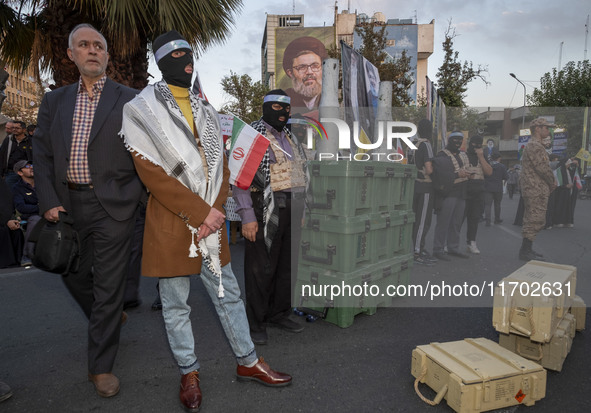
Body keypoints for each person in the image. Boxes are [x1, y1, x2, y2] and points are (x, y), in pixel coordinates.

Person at [120, 30, 292, 412]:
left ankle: (248, 362)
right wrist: (202, 214)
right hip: (172, 223)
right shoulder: (140, 110)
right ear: (161, 62)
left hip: (211, 222)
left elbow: (222, 167)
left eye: (189, 53)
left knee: (228, 295)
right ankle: (188, 371)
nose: (185, 60)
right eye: (176, 54)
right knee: (176, 303)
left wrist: (213, 212)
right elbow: (151, 173)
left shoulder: (206, 110)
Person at [34, 23, 144, 398]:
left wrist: (138, 195)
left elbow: (146, 152)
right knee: (73, 274)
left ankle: (100, 367)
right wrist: (48, 200)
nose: (92, 50)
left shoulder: (131, 98)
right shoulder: (55, 101)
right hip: (67, 203)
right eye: (84, 45)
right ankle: (110, 316)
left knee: (109, 284)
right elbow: (43, 154)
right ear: (71, 55)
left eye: (99, 45)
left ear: (108, 55)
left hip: (115, 204)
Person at [233, 90, 308, 344]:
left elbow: (301, 173)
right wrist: (246, 216)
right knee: (260, 268)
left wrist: (301, 210)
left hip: (291, 207)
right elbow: (239, 177)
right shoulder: (251, 134)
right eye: (277, 107)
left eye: (287, 109)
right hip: (262, 207)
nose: (283, 112)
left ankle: (279, 313)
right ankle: (256, 322)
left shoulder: (290, 136)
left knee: (287, 265)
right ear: (266, 107)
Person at [518, 118, 557, 261]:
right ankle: (525, 251)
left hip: (536, 187)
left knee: (534, 219)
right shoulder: (535, 145)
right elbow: (542, 168)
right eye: (546, 128)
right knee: (534, 219)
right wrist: (552, 181)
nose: (548, 130)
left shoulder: (537, 145)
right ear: (537, 129)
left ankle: (527, 249)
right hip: (535, 188)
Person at [432, 131, 471, 261]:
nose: (458, 143)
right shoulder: (442, 156)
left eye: (460, 140)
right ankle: (438, 248)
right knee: (443, 223)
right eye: (455, 140)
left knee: (456, 223)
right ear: (449, 140)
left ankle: (453, 247)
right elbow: (440, 176)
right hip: (448, 194)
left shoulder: (462, 155)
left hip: (461, 193)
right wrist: (457, 175)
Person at [410, 119, 437, 265]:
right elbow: (429, 168)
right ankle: (417, 252)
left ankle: (417, 247)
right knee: (423, 221)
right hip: (425, 186)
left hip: (414, 184)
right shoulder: (426, 145)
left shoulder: (413, 144)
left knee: (415, 220)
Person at [282, 36, 328, 118]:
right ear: (290, 73)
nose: (309, 72)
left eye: (315, 66)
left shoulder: (332, 99)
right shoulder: (283, 102)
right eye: (302, 67)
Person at [463, 135, 492, 254]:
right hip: (464, 190)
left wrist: (481, 156)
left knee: (474, 219)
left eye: (479, 144)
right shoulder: (464, 156)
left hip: (479, 192)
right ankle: (450, 242)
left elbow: (489, 172)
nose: (476, 146)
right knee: (458, 219)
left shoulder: (483, 156)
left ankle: (472, 242)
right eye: (474, 144)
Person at [11, 160, 41, 266]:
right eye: (27, 166)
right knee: (36, 220)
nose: (31, 167)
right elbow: (22, 207)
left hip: (49, 213)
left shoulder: (42, 183)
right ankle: (27, 255)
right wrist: (40, 208)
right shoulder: (17, 188)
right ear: (20, 173)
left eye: (32, 165)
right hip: (30, 217)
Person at [0, 120, 33, 190]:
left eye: (17, 128)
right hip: (10, 173)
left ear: (24, 130)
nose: (14, 130)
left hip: (26, 173)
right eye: (13, 128)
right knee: (9, 194)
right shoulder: (8, 140)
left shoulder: (30, 141)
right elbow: (2, 156)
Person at [0, 178, 24, 268]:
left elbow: (7, 204)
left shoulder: (2, 185)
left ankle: (19, 260)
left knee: (15, 231)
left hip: (4, 218)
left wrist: (10, 219)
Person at [483, 152, 508, 226]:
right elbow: (505, 177)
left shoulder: (487, 165)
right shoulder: (502, 166)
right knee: (497, 204)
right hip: (498, 188)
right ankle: (497, 219)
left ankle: (488, 221)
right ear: (499, 158)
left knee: (487, 205)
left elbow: (484, 175)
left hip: (487, 188)